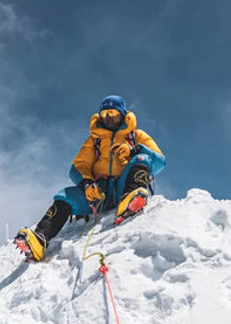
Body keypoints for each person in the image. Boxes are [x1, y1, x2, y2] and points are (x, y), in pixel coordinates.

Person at [14, 95, 166, 261]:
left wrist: (134, 151)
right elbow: (78, 167)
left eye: (113, 113)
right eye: (105, 114)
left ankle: (131, 199)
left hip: (125, 186)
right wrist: (87, 184)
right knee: (65, 196)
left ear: (122, 114)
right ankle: (39, 239)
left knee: (142, 159)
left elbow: (159, 161)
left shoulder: (136, 135)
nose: (109, 118)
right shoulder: (95, 141)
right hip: (98, 194)